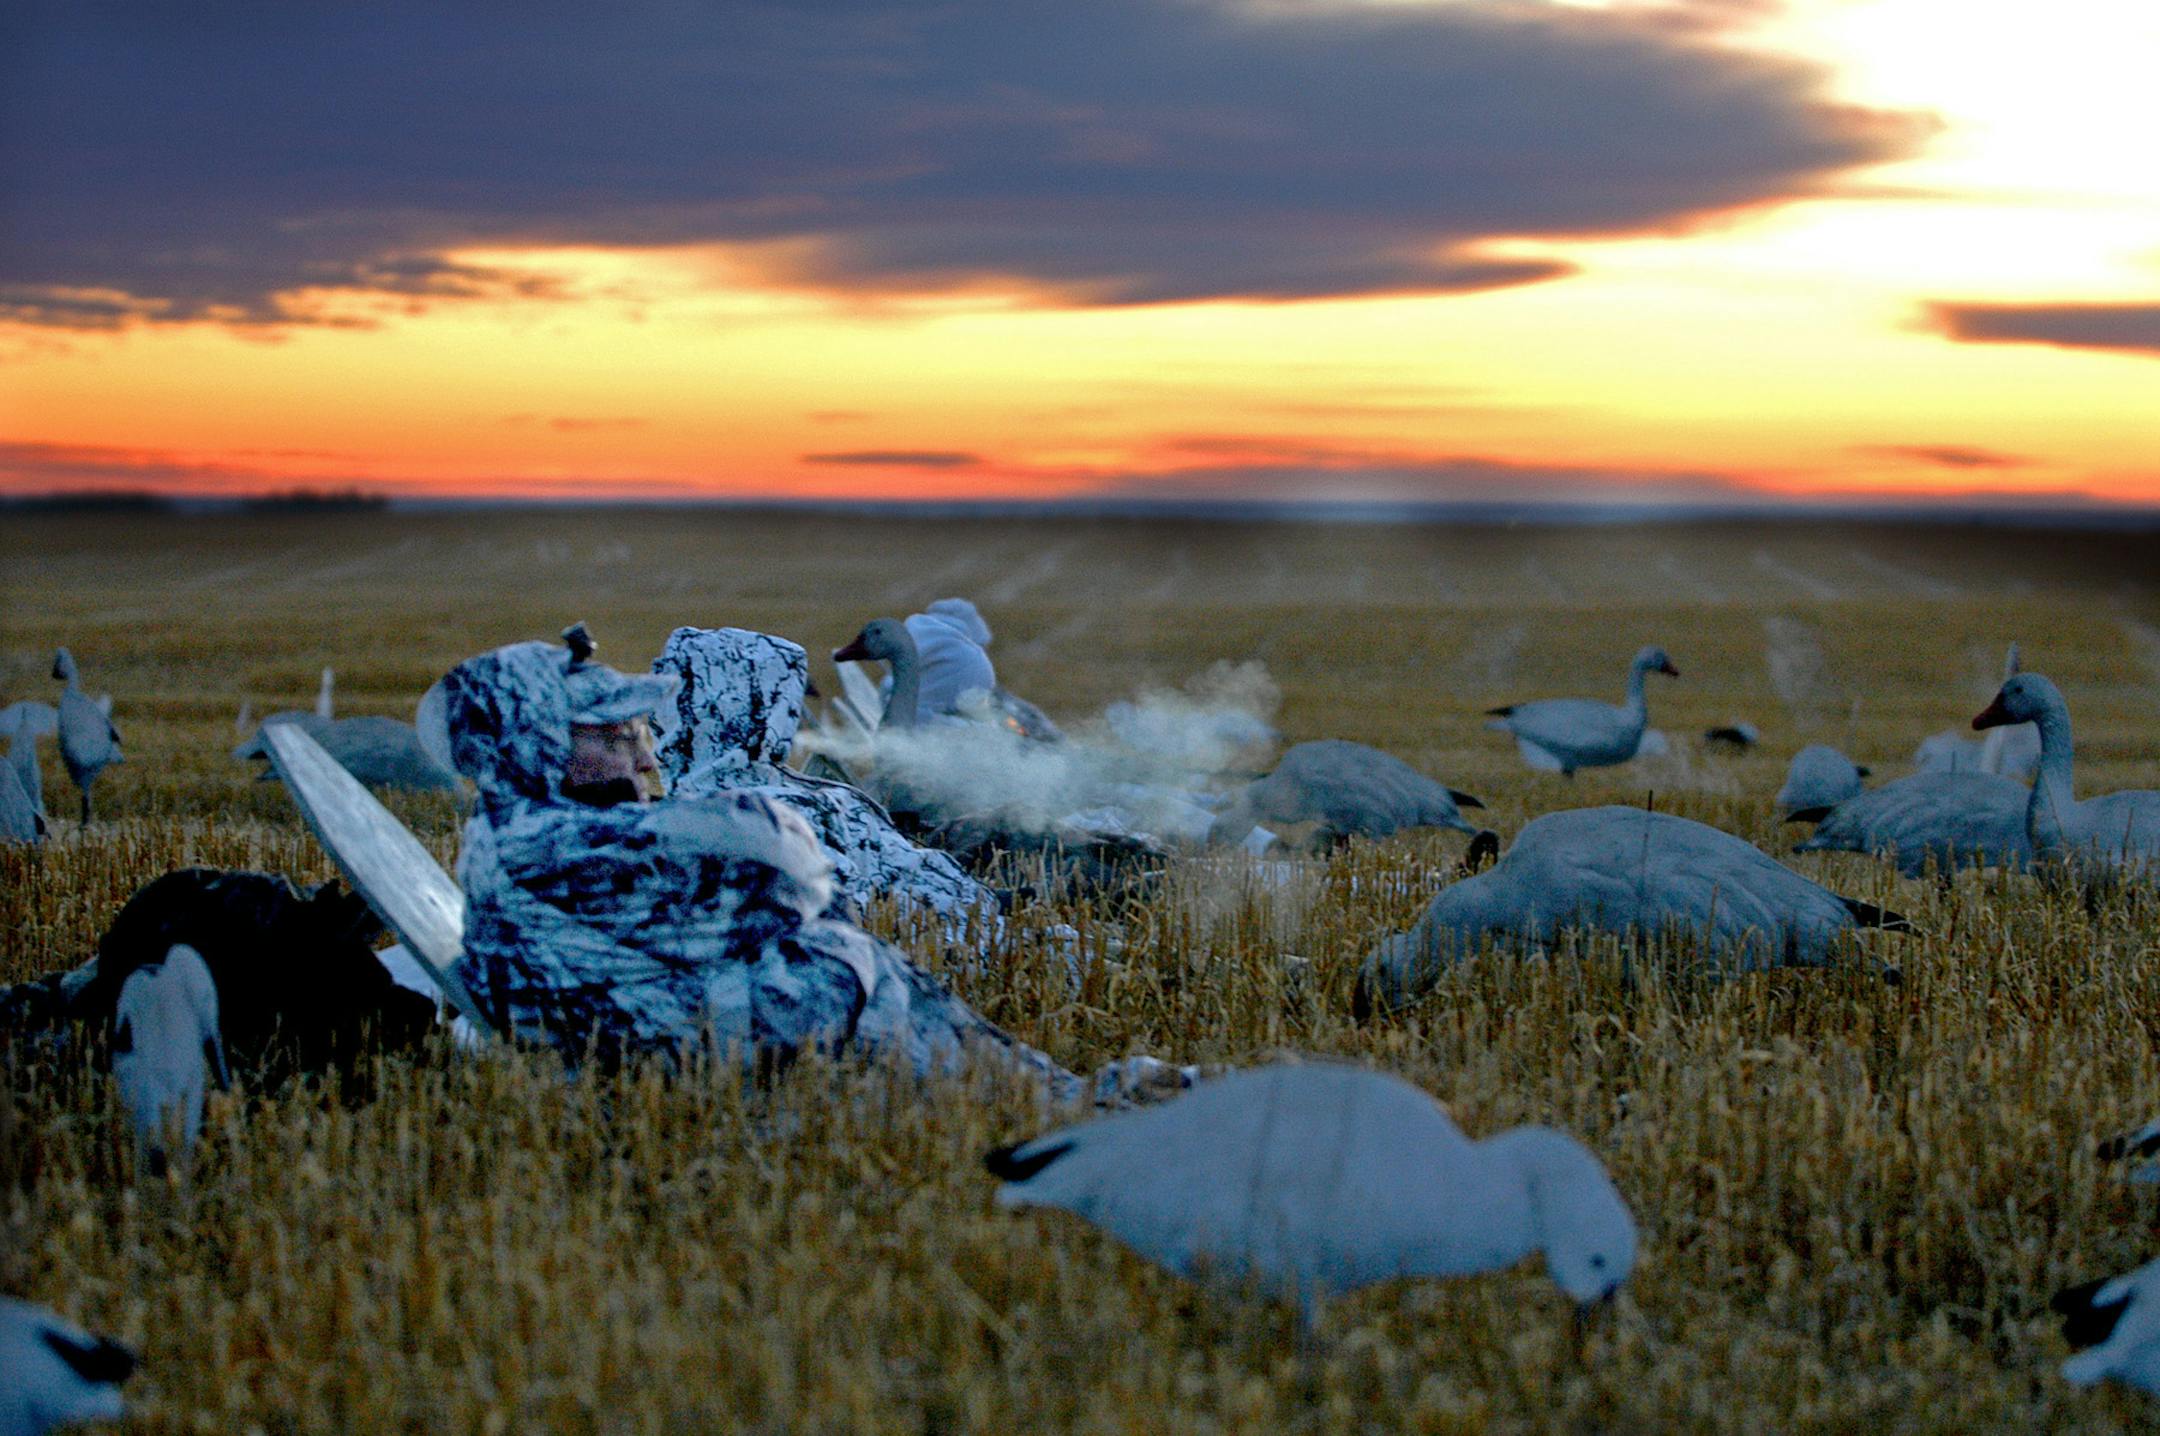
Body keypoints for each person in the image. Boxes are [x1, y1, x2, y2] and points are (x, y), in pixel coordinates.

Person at [440, 626, 1183, 1101]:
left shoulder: (537, 832)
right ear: (532, 743)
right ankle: (1070, 1106)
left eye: (641, 729)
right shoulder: (553, 845)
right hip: (691, 1070)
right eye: (611, 736)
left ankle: (1063, 1099)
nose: (642, 752)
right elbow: (784, 869)